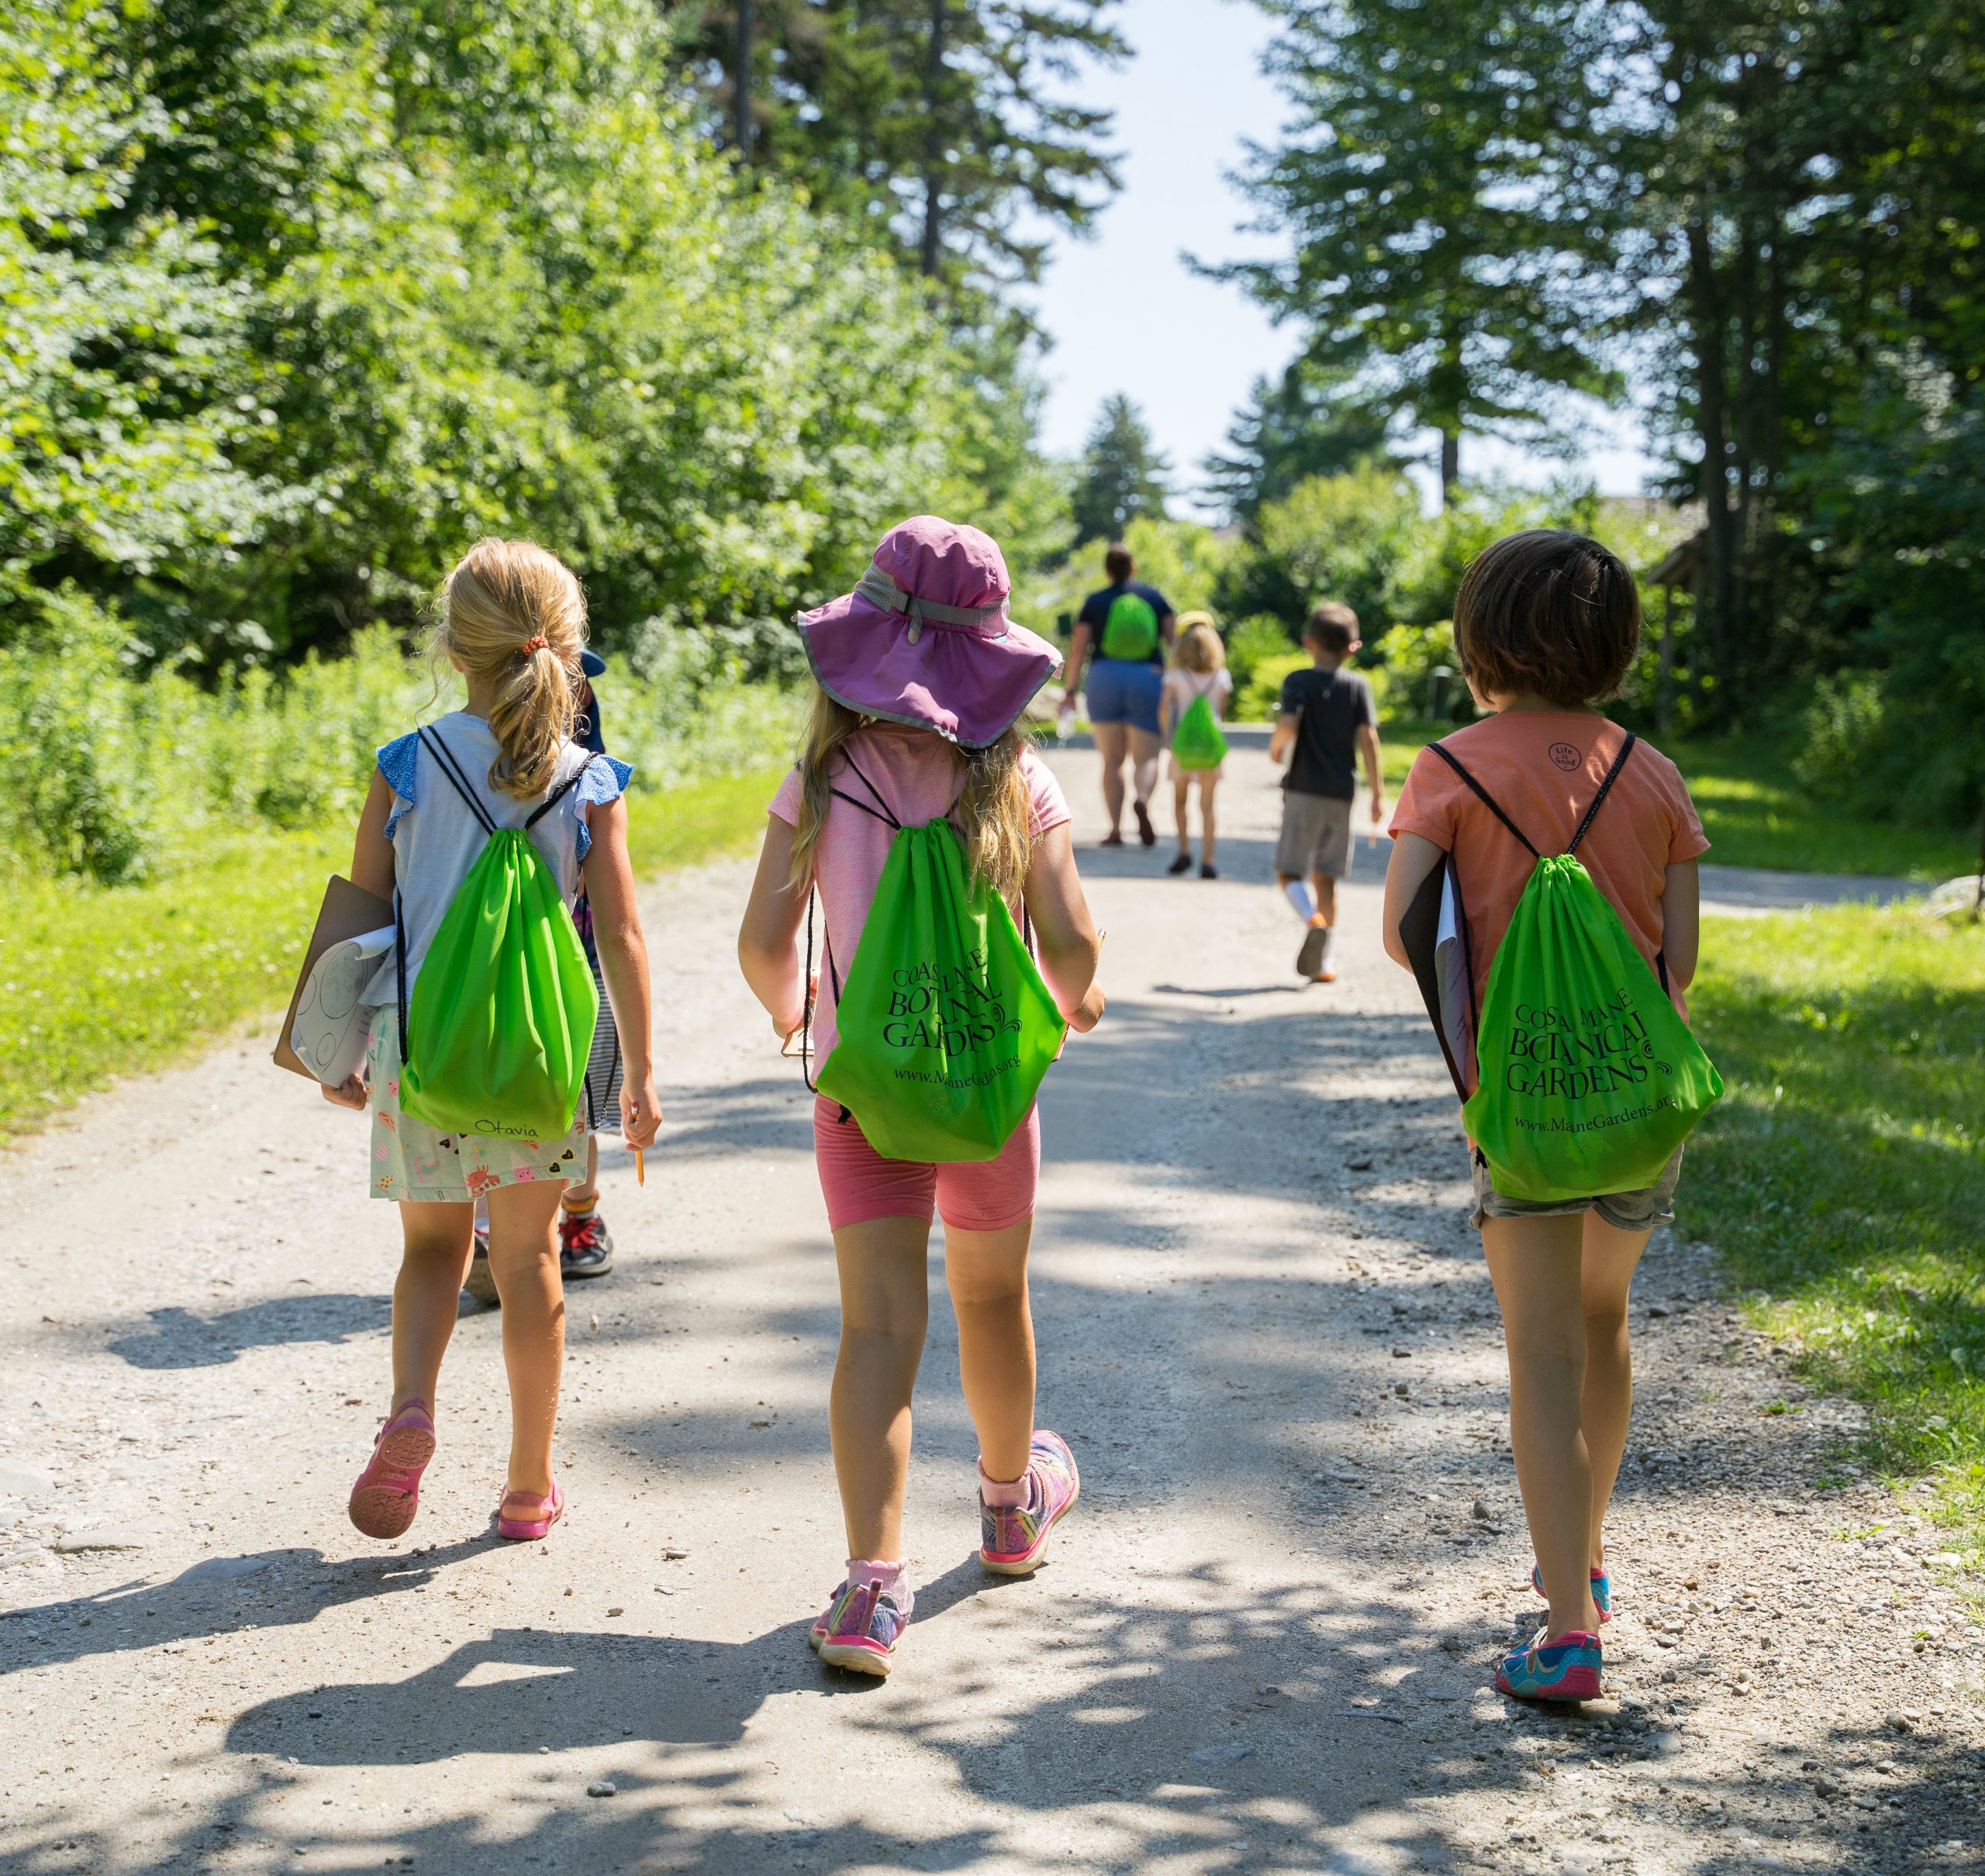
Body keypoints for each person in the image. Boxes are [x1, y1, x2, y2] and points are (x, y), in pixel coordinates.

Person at [738, 516, 1105, 1677]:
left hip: (864, 1092)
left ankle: (870, 1593)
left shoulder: (824, 776)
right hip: (989, 1092)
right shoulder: (1019, 779)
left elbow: (762, 943)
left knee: (880, 1328)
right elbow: (1076, 946)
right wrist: (1076, 1000)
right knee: (992, 1300)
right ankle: (1009, 1508)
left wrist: (795, 1015)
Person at [1379, 529, 1707, 1702]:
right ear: (1615, 645)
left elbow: (1405, 930)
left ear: (1481, 641)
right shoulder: (1654, 773)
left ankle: (1569, 1632)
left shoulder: (1450, 769)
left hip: (1522, 1108)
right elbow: (1681, 960)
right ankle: (1590, 1558)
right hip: (1637, 1107)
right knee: (1603, 1320)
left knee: (1541, 1353)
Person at [325, 538, 661, 1544]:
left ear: (451, 648)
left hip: (420, 1049)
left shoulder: (406, 766)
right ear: (569, 649)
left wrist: (339, 1047)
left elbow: (361, 914)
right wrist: (638, 1073)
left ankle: (411, 1411)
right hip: (539, 1062)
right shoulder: (591, 780)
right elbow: (627, 936)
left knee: (432, 1252)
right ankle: (527, 1487)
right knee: (529, 1265)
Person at [464, 643, 617, 1306]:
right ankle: (490, 1233)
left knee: (567, 1099)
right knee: (483, 1091)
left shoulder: (584, 753)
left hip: (565, 957)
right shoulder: (457, 748)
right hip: (486, 958)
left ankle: (578, 1211)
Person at [1269, 602, 1383, 982]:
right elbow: (1368, 738)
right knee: (1327, 880)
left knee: (1289, 872)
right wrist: (1379, 793)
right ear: (1354, 646)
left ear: (1308, 643)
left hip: (1303, 790)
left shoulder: (1298, 681)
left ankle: (1310, 918)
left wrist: (1275, 747)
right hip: (1342, 793)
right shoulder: (1358, 686)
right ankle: (1326, 963)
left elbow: (1289, 721)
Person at [1062, 542, 1175, 847]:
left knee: (1112, 761)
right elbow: (1175, 644)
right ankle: (1142, 799)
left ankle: (1115, 830)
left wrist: (1070, 691)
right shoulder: (1154, 598)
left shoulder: (1095, 601)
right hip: (1147, 677)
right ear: (1133, 567)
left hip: (1104, 676)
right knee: (1147, 757)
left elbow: (1078, 650)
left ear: (1107, 571)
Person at [1158, 612, 1231, 878]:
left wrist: (1170, 739)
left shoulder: (1175, 676)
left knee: (1180, 801)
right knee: (1209, 805)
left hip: (1182, 746)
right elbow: (1220, 714)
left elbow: (1164, 709)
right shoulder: (1222, 676)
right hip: (1210, 749)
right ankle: (1209, 860)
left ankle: (1184, 851)